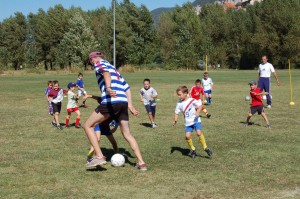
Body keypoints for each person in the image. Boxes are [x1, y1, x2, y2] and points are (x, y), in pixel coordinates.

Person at [83, 51, 147, 171]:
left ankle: (99, 156)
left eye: (91, 62)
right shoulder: (115, 70)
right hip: (123, 102)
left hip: (111, 101)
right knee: (127, 134)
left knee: (87, 126)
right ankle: (141, 163)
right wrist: (130, 105)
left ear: (92, 60)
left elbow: (105, 73)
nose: (92, 64)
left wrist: (108, 88)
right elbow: (127, 88)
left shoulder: (99, 64)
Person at [173, 86, 213, 158]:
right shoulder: (179, 103)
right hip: (188, 123)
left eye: (179, 94)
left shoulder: (191, 100)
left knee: (198, 133)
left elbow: (201, 105)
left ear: (185, 93)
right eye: (178, 95)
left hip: (196, 120)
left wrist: (197, 111)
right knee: (187, 136)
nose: (178, 96)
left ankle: (205, 148)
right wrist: (175, 120)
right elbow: (176, 112)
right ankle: (193, 149)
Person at [84, 94, 119, 162]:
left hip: (106, 126)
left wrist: (115, 128)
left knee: (113, 142)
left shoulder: (117, 107)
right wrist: (89, 96)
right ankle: (89, 158)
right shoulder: (106, 102)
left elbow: (118, 120)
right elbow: (97, 97)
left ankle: (117, 154)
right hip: (98, 124)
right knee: (97, 139)